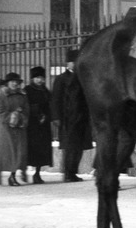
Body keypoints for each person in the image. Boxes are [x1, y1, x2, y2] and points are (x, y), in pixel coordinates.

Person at [51, 48, 92, 182]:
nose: (75, 64)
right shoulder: (61, 79)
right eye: (72, 62)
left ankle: (73, 172)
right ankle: (68, 173)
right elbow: (56, 99)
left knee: (79, 147)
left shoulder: (83, 77)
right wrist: (56, 117)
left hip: (82, 117)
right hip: (67, 118)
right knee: (70, 147)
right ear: (67, 63)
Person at [0, 72, 28, 186]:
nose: (15, 84)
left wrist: (21, 118)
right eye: (12, 81)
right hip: (5, 129)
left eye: (17, 82)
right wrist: (11, 117)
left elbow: (26, 110)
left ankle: (12, 176)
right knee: (6, 152)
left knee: (18, 152)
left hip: (19, 128)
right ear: (7, 83)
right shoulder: (1, 94)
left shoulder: (22, 95)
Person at [24, 66, 53, 184]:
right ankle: (24, 172)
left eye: (41, 78)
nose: (40, 80)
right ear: (32, 79)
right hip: (32, 125)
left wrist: (47, 116)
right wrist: (36, 113)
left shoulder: (45, 91)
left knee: (42, 150)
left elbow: (50, 105)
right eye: (37, 78)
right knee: (32, 149)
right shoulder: (27, 90)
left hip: (43, 125)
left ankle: (37, 173)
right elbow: (25, 105)